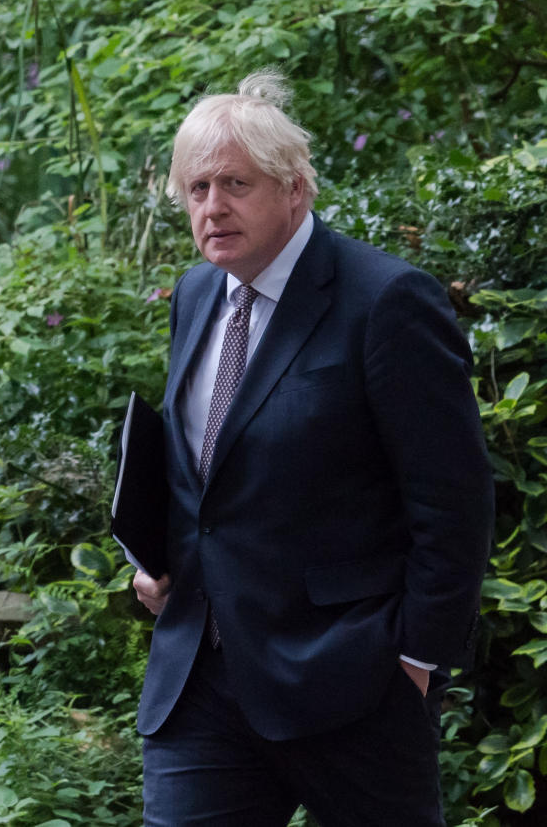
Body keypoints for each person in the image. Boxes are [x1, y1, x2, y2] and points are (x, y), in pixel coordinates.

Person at [131, 69, 494, 827]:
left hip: (351, 680)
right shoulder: (197, 294)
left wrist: (416, 663)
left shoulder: (386, 302)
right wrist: (159, 561)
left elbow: (453, 501)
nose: (212, 207)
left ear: (295, 188)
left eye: (235, 183)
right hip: (202, 678)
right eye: (196, 189)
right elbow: (210, 474)